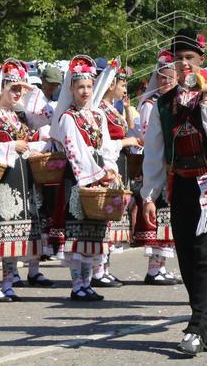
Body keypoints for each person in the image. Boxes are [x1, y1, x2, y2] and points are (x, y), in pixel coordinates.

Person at [141, 30, 207, 356]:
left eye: (191, 58)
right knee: (187, 258)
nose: (184, 64)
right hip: (182, 182)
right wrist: (149, 195)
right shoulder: (164, 102)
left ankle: (195, 327)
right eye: (179, 58)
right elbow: (155, 151)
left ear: (201, 60)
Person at [0, 59, 52, 301]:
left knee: (13, 238)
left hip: (20, 179)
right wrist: (12, 146)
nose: (18, 93)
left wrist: (31, 149)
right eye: (13, 88)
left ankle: (8, 283)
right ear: (1, 88)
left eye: (20, 89)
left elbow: (46, 118)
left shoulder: (17, 117)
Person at [48, 56, 120, 303]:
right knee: (77, 233)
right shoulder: (68, 117)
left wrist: (110, 168)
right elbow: (74, 151)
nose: (85, 91)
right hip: (79, 178)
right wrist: (94, 175)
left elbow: (107, 145)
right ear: (71, 89)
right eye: (80, 87)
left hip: (99, 173)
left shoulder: (98, 114)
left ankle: (87, 284)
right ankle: (77, 284)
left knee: (93, 233)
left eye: (89, 86)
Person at [91, 60, 141, 288]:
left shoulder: (112, 109)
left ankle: (105, 268)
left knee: (113, 217)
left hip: (119, 162)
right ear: (111, 85)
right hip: (108, 162)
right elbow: (102, 143)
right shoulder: (100, 109)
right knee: (106, 217)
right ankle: (98, 269)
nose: (124, 90)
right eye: (122, 85)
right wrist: (127, 141)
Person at [133, 52, 181, 286]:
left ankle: (160, 266)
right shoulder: (151, 104)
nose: (166, 82)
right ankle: (154, 268)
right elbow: (148, 137)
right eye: (162, 78)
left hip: (169, 168)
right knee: (158, 216)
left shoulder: (177, 101)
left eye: (170, 77)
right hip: (155, 164)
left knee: (167, 218)